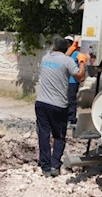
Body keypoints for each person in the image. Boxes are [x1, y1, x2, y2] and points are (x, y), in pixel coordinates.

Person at [36, 37, 87, 177]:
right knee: (59, 136)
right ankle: (55, 165)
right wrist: (82, 62)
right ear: (67, 49)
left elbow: (61, 58)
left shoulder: (46, 58)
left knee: (43, 135)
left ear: (53, 47)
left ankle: (45, 167)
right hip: (58, 106)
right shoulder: (68, 61)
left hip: (41, 103)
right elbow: (81, 77)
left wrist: (71, 48)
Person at [64, 35, 82, 127]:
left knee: (71, 99)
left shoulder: (76, 54)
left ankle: (71, 119)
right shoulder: (65, 54)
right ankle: (65, 117)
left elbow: (82, 67)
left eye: (69, 43)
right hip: (65, 80)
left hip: (73, 81)